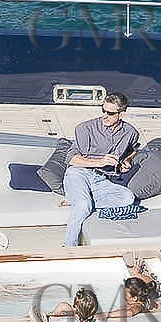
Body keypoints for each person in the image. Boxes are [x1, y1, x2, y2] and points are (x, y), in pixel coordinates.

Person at [61, 92, 140, 247]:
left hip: (101, 180)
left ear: (121, 114)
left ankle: (76, 198)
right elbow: (71, 159)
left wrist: (127, 161)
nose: (105, 116)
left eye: (110, 113)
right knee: (84, 206)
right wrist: (99, 162)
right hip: (79, 173)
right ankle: (68, 247)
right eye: (103, 110)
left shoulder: (130, 133)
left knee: (127, 198)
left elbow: (134, 149)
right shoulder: (86, 128)